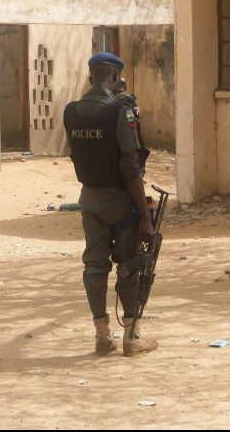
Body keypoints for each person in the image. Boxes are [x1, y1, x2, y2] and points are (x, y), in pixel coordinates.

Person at [63, 52, 157, 356]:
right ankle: (132, 336)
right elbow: (130, 168)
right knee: (130, 265)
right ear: (116, 78)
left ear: (92, 78)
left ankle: (102, 336)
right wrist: (144, 215)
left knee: (94, 265)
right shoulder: (122, 111)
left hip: (89, 199)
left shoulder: (71, 112)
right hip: (121, 203)